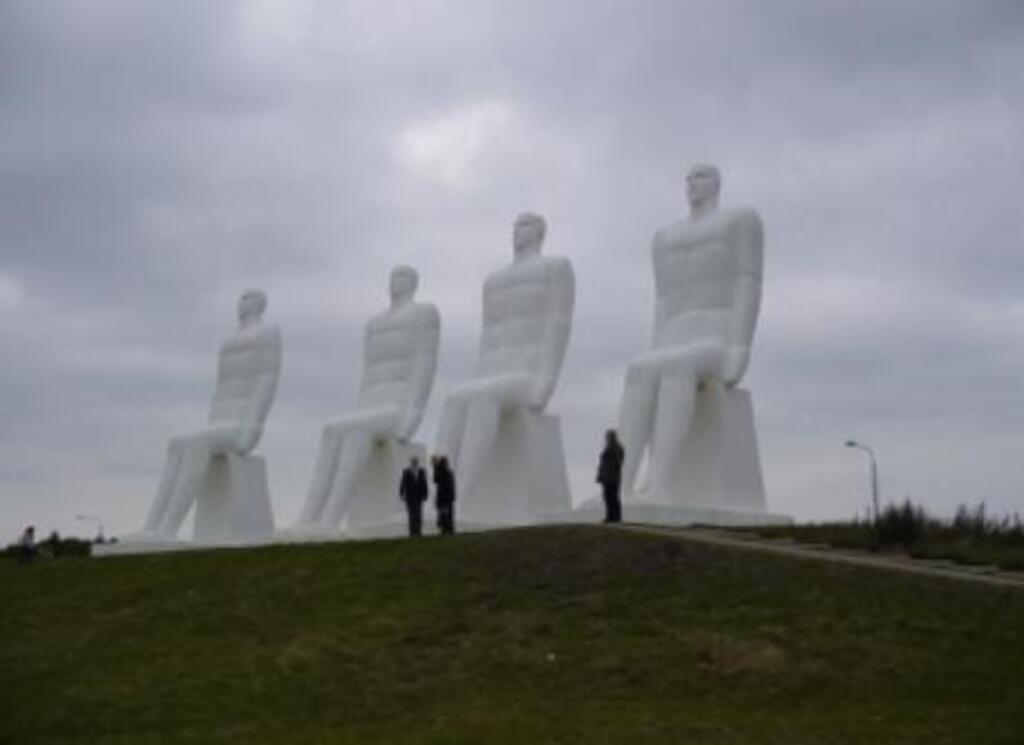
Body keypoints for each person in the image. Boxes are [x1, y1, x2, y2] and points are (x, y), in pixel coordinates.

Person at [617, 164, 763, 502]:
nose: (691, 183)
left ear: (716, 184)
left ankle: (662, 485)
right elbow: (663, 300)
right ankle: (621, 486)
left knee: (674, 366)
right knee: (639, 368)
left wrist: (740, 346)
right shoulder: (665, 237)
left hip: (715, 338)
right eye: (688, 178)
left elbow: (748, 282)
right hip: (675, 341)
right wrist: (655, 348)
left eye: (700, 177)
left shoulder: (740, 220)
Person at [434, 212, 575, 514]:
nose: (517, 231)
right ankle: (439, 495)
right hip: (495, 375)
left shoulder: (556, 268)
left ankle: (463, 497)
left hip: (526, 375)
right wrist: (478, 377)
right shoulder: (494, 281)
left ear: (540, 232)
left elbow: (558, 323)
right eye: (515, 225)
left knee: (483, 396)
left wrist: (547, 379)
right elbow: (488, 337)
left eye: (524, 225)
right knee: (455, 399)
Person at [295, 266, 440, 532]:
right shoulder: (374, 325)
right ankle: (309, 516)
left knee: (355, 430)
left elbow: (425, 365)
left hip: (396, 409)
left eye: (403, 277)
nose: (395, 283)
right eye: (393, 278)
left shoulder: (424, 314)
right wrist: (360, 409)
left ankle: (331, 518)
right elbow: (367, 375)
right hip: (371, 408)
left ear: (414, 283)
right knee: (331, 429)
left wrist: (413, 413)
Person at [134, 289, 282, 540]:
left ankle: (168, 528)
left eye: (247, 299)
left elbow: (267, 379)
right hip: (220, 423)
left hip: (242, 426)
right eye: (241, 299)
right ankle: (151, 526)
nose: (241, 304)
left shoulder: (268, 333)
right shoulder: (229, 341)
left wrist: (253, 425)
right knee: (176, 444)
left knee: (194, 445)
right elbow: (220, 387)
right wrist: (211, 423)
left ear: (260, 304)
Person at [596, 430, 625, 523]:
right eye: (606, 436)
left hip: (612, 478)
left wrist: (608, 473)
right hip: (607, 478)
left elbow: (617, 462)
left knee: (613, 498)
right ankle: (610, 517)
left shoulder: (617, 448)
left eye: (608, 436)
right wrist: (600, 476)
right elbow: (603, 464)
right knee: (608, 498)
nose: (606, 438)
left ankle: (616, 517)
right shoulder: (608, 448)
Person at [398, 456, 429, 537]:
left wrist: (425, 494)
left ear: (417, 463)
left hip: (419, 497)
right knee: (411, 514)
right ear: (411, 463)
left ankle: (418, 532)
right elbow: (402, 484)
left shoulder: (421, 471)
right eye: (413, 462)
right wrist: (401, 494)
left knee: (418, 514)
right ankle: (412, 532)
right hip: (410, 497)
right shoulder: (406, 471)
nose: (415, 463)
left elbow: (424, 484)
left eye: (416, 462)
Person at [432, 455, 456, 535]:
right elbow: (435, 480)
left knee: (446, 514)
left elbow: (451, 485)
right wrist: (436, 466)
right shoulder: (443, 472)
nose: (445, 464)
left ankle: (447, 529)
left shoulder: (447, 472)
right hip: (445, 497)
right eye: (445, 462)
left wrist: (436, 465)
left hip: (446, 497)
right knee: (445, 514)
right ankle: (446, 529)